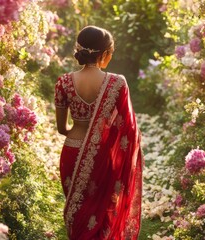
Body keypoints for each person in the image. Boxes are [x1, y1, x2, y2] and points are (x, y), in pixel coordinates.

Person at [54, 26, 143, 239]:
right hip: (103, 157)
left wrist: (76, 131)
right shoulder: (117, 83)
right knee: (100, 214)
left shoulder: (64, 82)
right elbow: (127, 129)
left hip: (71, 152)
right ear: (104, 54)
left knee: (79, 215)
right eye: (110, 53)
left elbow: (61, 128)